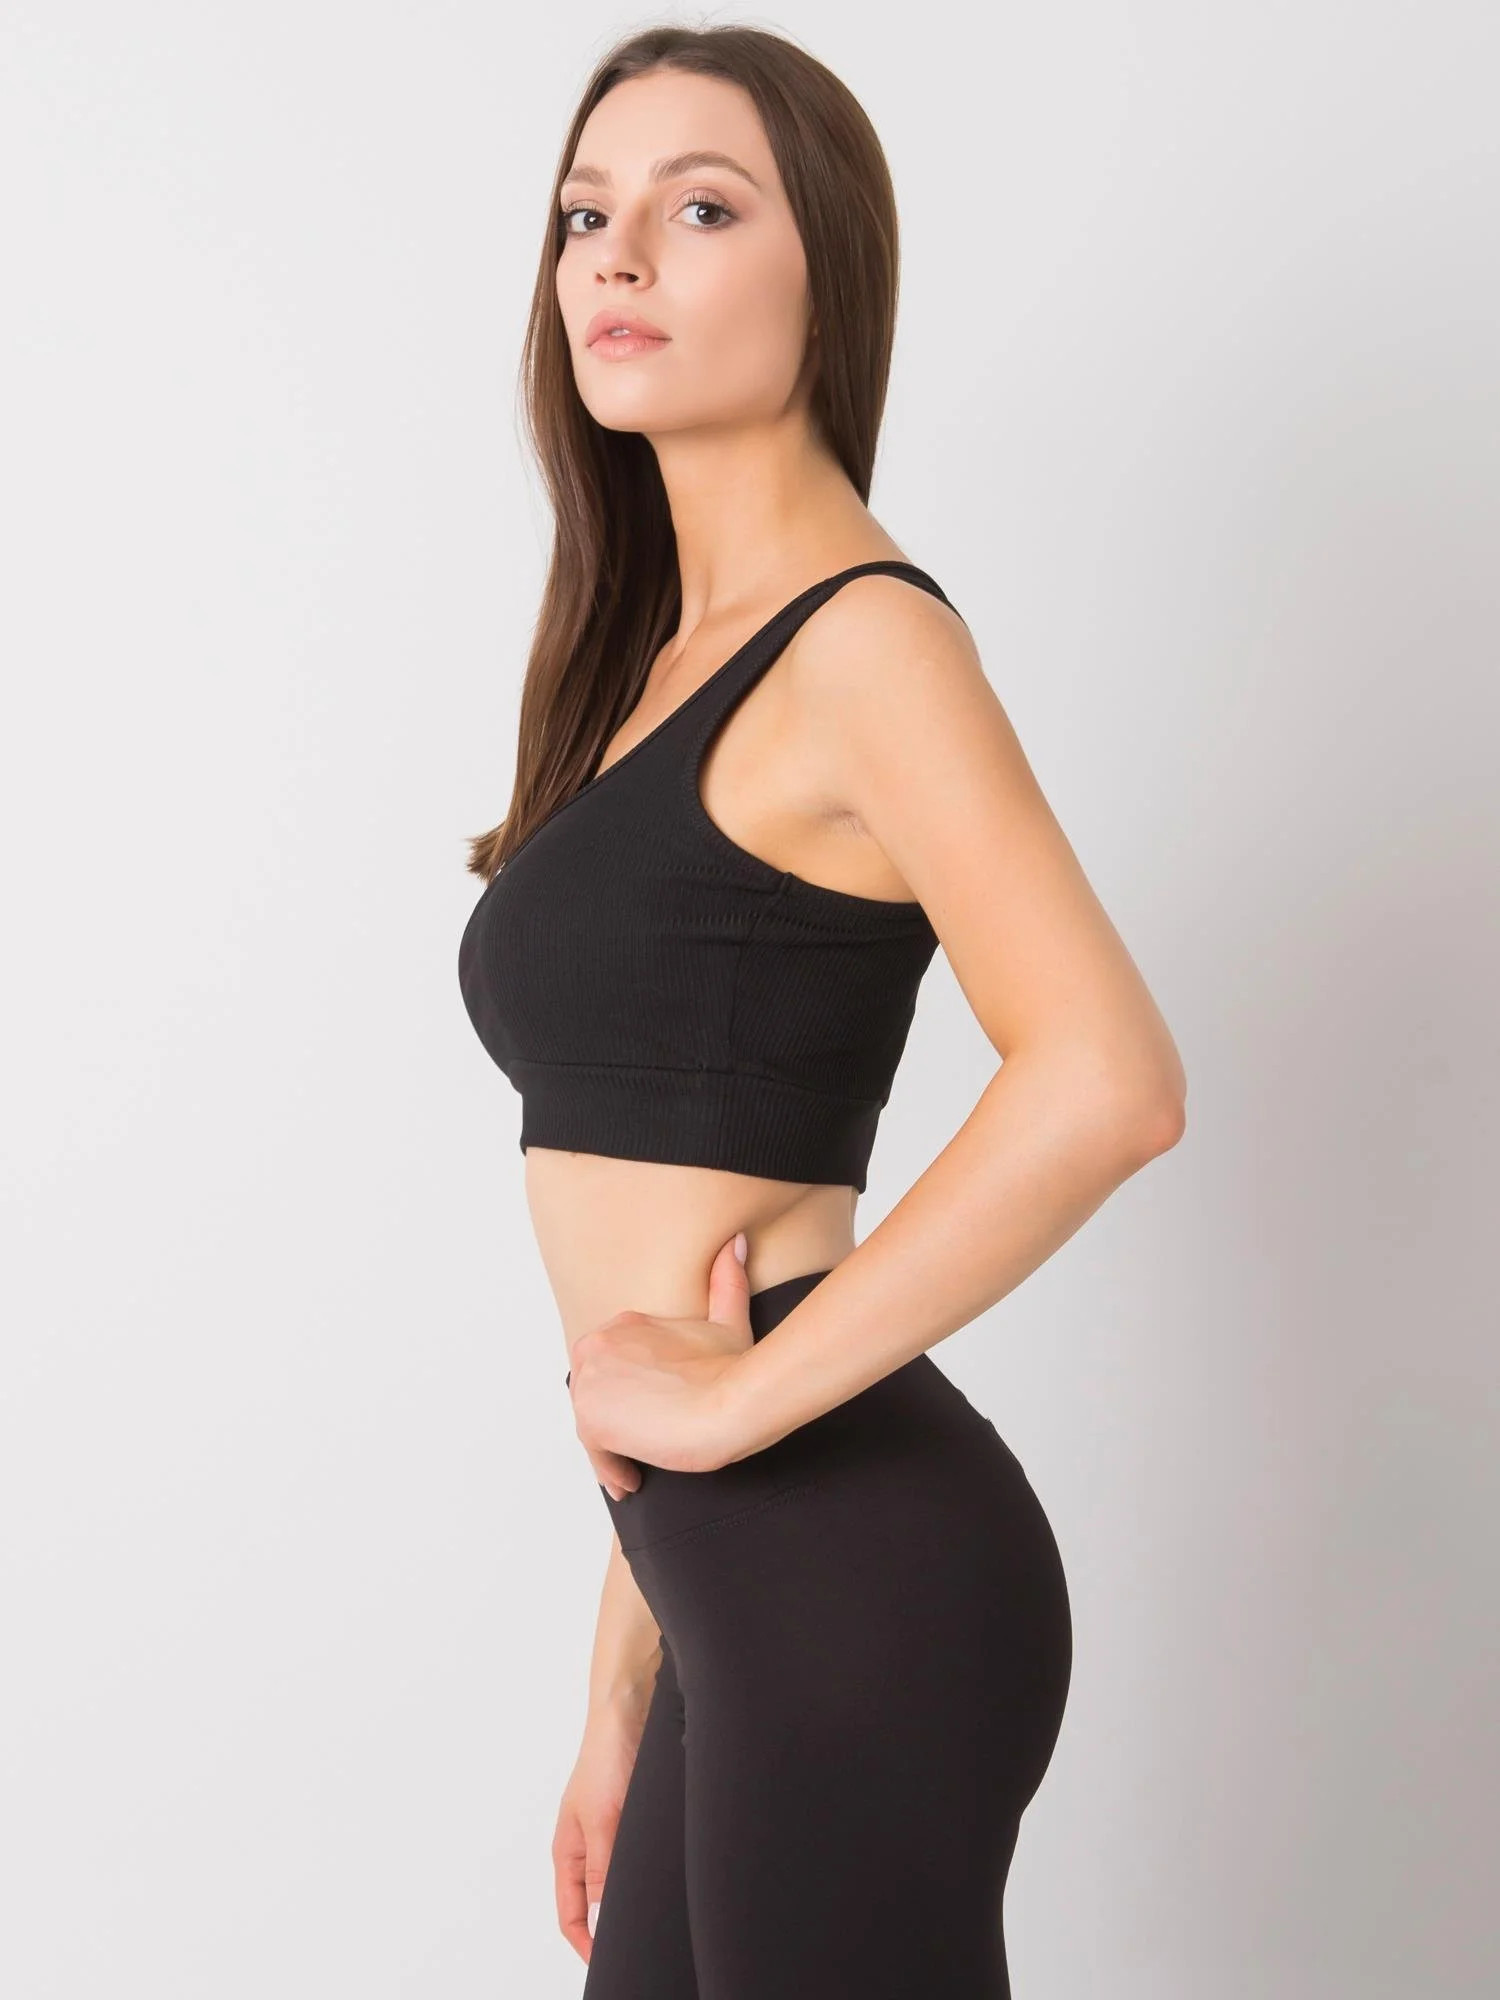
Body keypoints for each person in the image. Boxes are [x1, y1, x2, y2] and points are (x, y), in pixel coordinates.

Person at [458, 23, 1186, 1997]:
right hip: (727, 1597)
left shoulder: (864, 645)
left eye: (701, 209)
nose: (619, 257)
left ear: (828, 273)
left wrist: (739, 1402)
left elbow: (1110, 1078)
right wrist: (629, 1673)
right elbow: (677, 1256)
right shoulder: (643, 665)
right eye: (586, 215)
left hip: (855, 1585)